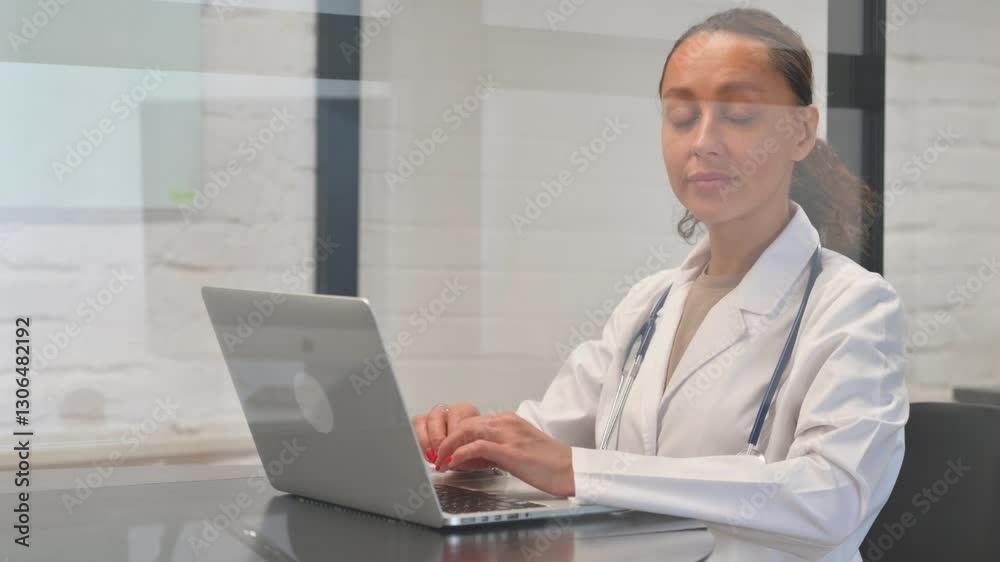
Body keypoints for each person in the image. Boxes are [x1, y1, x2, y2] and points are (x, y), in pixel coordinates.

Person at [411, 8, 907, 562]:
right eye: (680, 115)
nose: (703, 141)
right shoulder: (650, 302)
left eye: (739, 114)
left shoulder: (855, 307)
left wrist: (579, 468)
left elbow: (833, 498)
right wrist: (473, 441)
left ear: (802, 131)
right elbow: (546, 439)